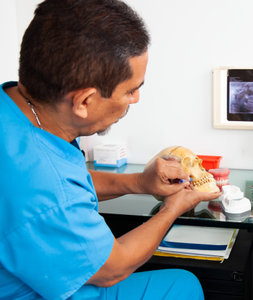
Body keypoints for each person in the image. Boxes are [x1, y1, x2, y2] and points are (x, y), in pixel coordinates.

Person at [0, 0, 221, 299]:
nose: (136, 98)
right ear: (84, 102)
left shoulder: (16, 108)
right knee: (185, 286)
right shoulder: (44, 187)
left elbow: (70, 181)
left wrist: (138, 183)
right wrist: (172, 209)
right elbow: (112, 268)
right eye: (130, 90)